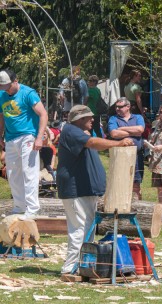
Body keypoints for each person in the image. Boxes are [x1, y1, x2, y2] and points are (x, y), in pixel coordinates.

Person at [57, 105, 133, 276]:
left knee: (88, 230)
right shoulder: (71, 130)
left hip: (86, 190)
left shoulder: (82, 133)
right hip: (75, 190)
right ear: (79, 119)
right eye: (88, 117)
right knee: (78, 229)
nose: (92, 119)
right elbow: (93, 143)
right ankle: (70, 267)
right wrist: (118, 143)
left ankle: (85, 265)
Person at [0, 69, 48, 218]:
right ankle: (19, 206)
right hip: (10, 138)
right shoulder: (1, 95)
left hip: (28, 136)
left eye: (7, 86)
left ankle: (32, 208)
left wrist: (39, 137)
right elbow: (1, 116)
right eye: (2, 87)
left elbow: (43, 114)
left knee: (29, 171)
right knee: (12, 173)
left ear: (15, 80)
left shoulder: (28, 93)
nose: (5, 89)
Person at [107, 97, 145, 200]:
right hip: (120, 156)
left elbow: (140, 130)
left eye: (120, 107)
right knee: (120, 182)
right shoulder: (113, 119)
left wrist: (122, 129)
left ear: (128, 107)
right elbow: (114, 133)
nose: (117, 109)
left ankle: (137, 206)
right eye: (116, 107)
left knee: (136, 184)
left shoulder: (138, 117)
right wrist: (134, 131)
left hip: (137, 156)